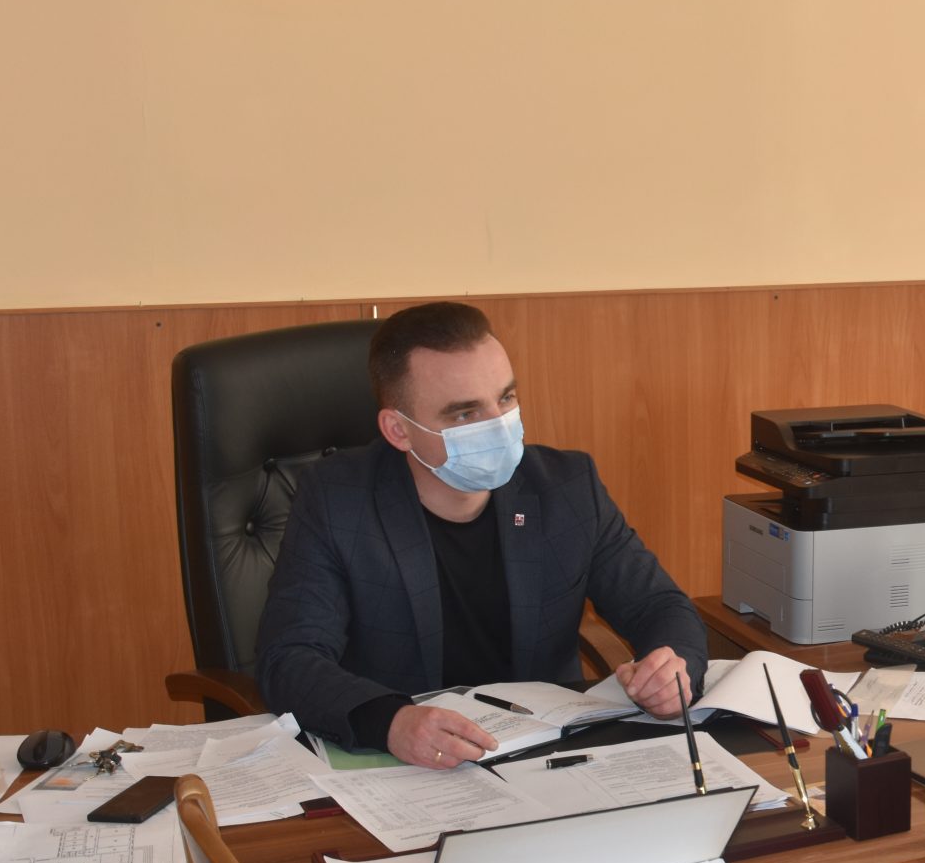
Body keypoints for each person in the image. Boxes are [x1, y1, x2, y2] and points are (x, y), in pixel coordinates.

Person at [255, 301, 706, 768]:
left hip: (544, 757)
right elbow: (289, 657)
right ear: (399, 430)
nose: (497, 424)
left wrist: (673, 668)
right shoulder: (338, 500)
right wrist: (390, 722)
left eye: (505, 398)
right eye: (465, 414)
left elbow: (659, 606)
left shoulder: (567, 488)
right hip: (408, 765)